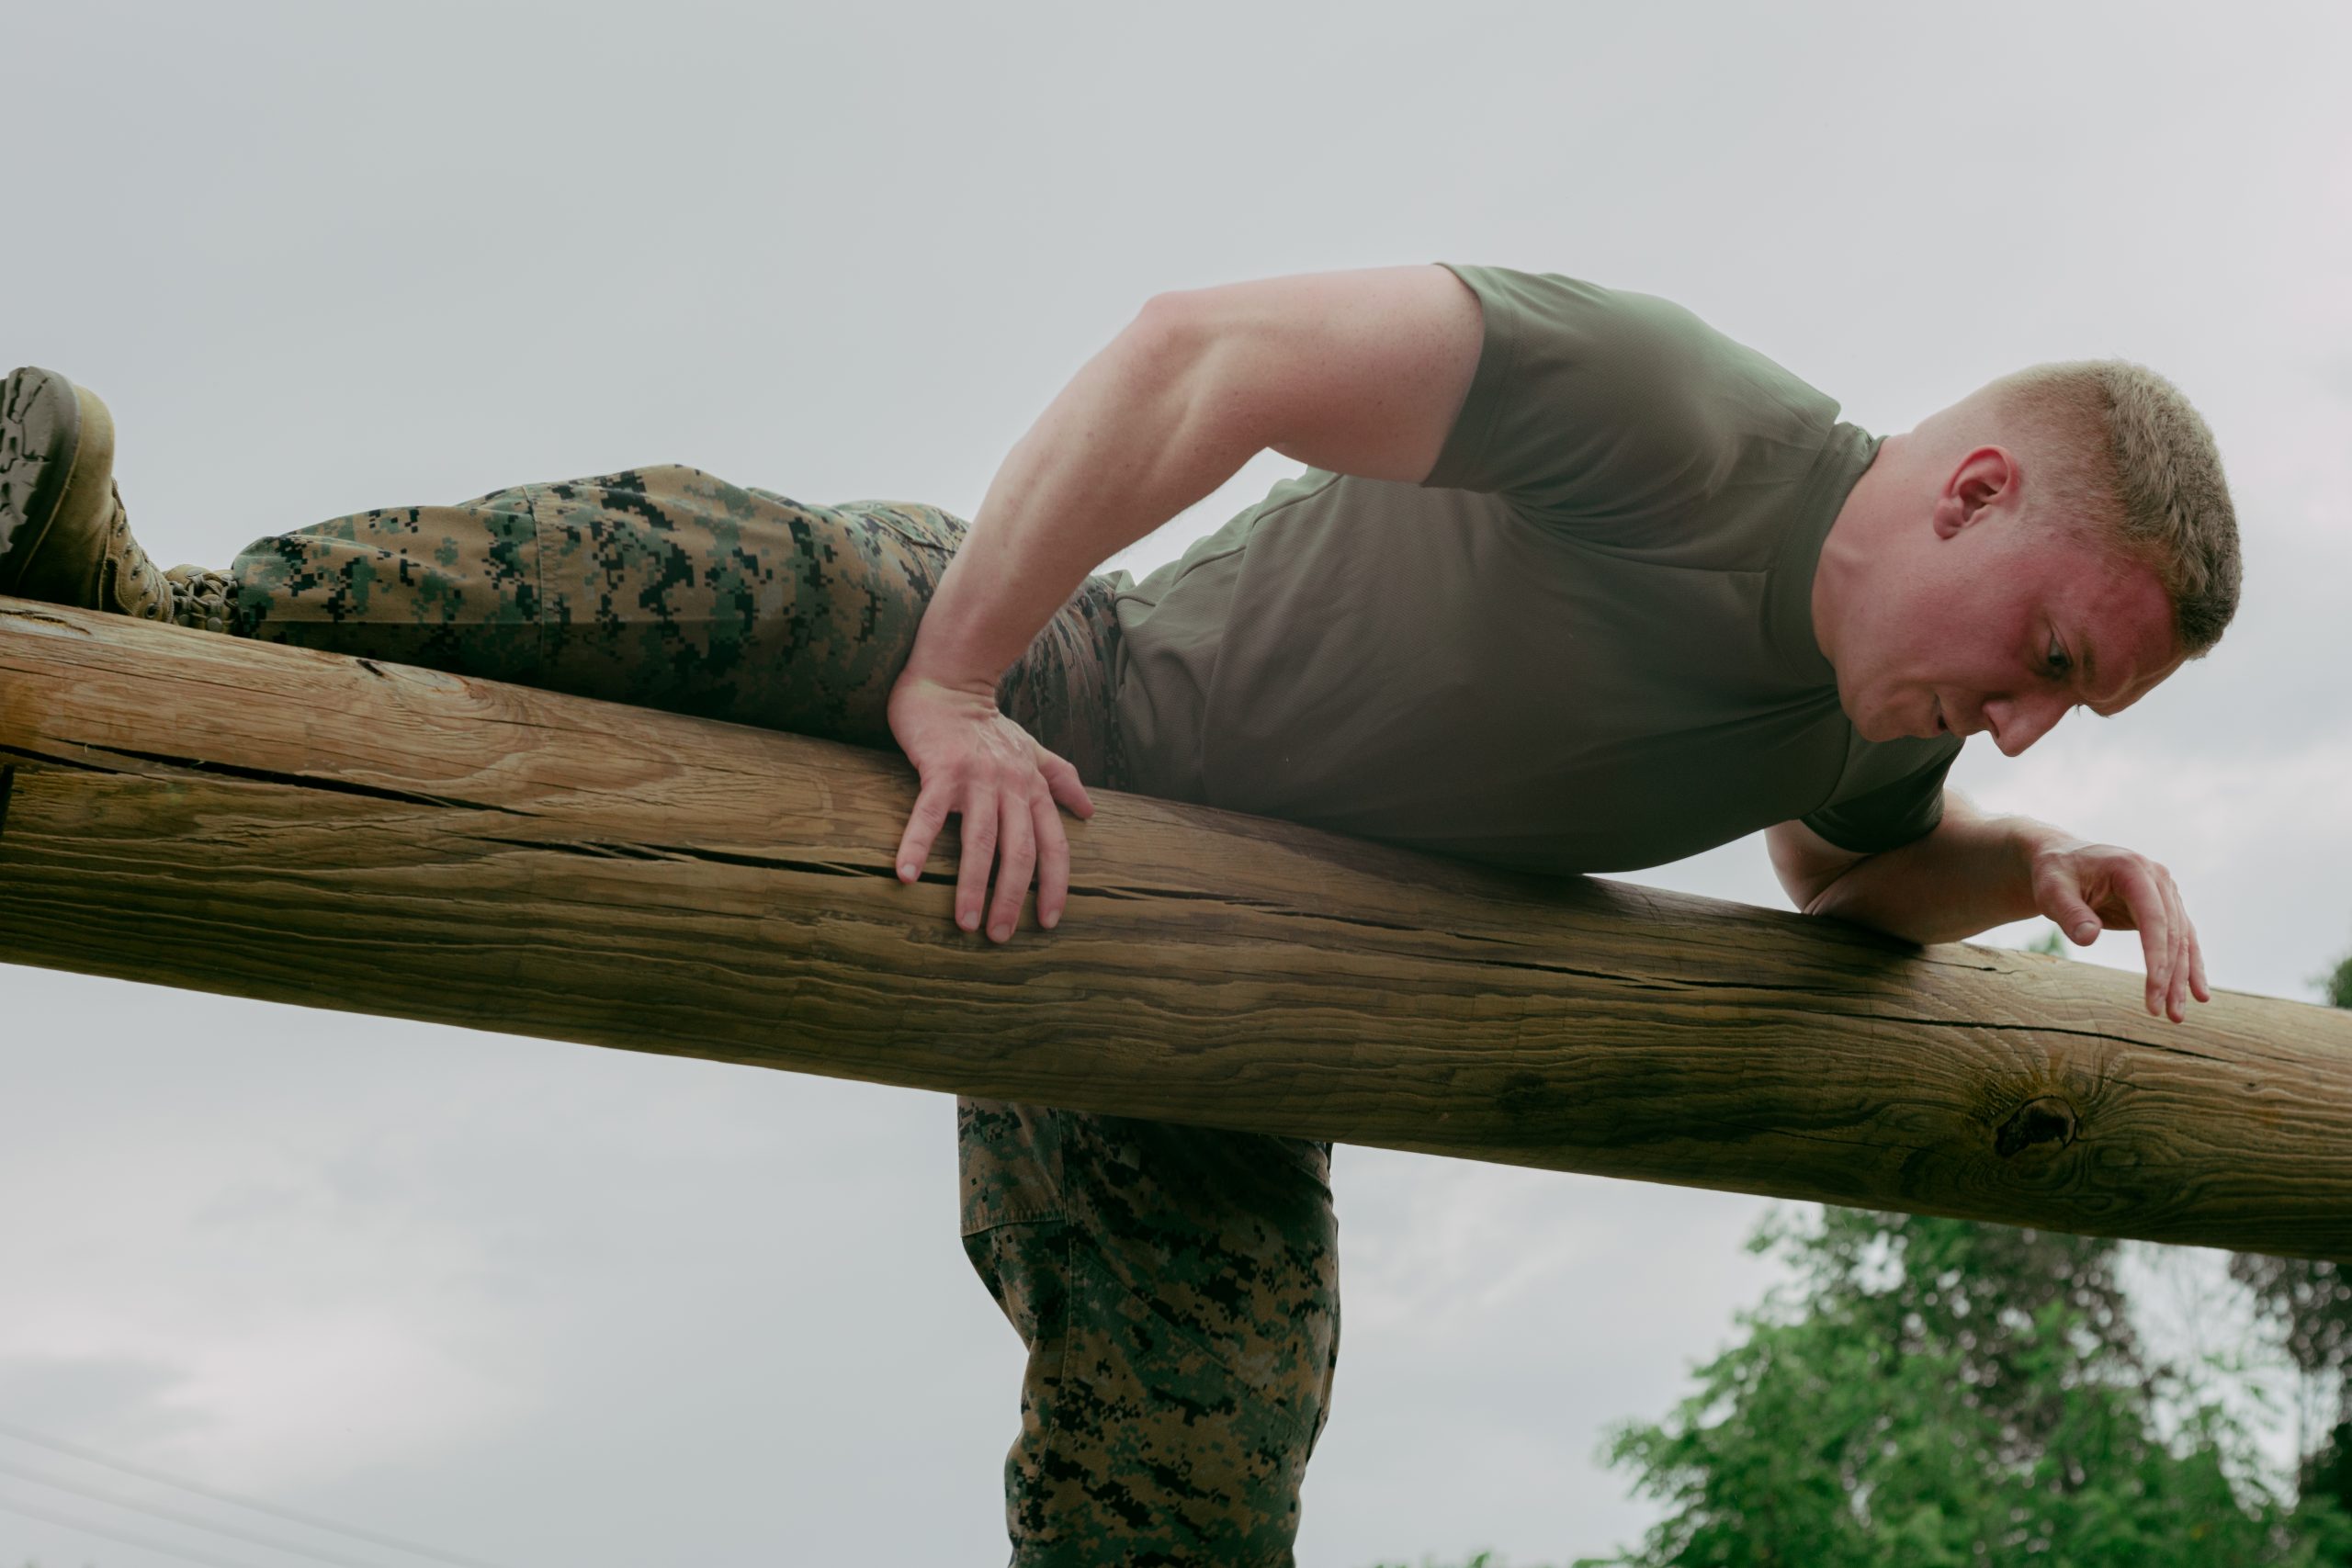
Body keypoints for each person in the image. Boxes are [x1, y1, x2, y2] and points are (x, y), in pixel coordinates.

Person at [0, 261, 2236, 1565]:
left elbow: (1839, 872)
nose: (2027, 725)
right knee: (722, 568)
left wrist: (2005, 874)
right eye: (2047, 657)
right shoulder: (1671, 414)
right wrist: (960, 673)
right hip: (1085, 697)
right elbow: (1201, 352)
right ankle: (154, 603)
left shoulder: (1869, 719)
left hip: (1252, 967)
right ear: (1959, 492)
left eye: (2071, 715)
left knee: (1207, 1444)